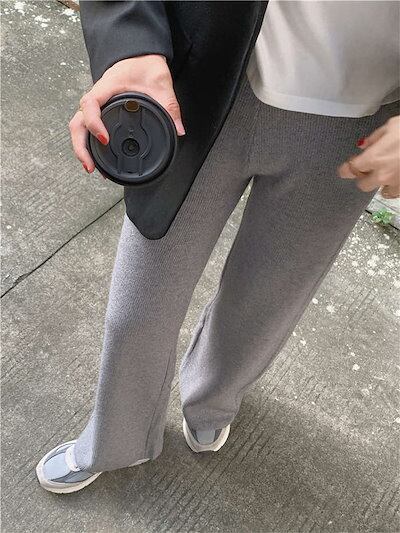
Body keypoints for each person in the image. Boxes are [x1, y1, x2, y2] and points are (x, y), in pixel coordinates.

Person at [36, 1, 399, 493]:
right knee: (139, 304)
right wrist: (129, 45)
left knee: (265, 302)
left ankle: (212, 402)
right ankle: (116, 439)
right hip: (209, 80)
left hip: (361, 125)